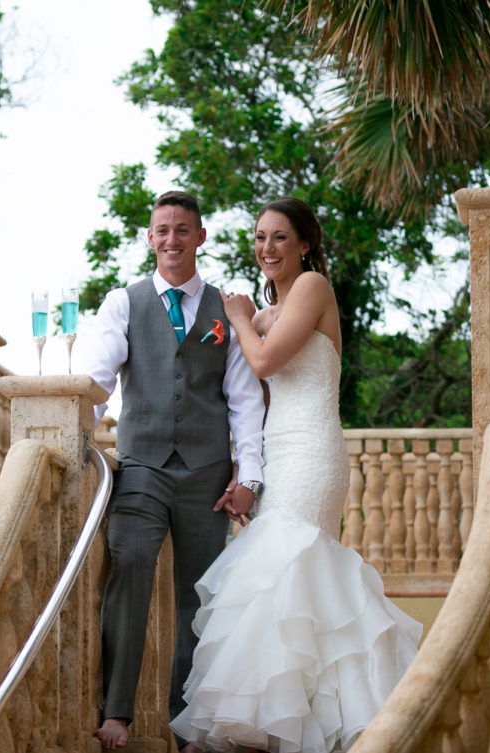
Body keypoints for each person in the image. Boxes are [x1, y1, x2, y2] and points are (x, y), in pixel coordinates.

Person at [170, 197, 424, 753]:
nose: (267, 248)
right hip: (277, 457)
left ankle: (334, 718)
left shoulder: (312, 288)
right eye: (260, 237)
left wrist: (237, 318)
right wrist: (246, 475)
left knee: (293, 566)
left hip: (312, 453)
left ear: (305, 244)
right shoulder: (263, 318)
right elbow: (251, 402)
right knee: (277, 585)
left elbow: (264, 362)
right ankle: (282, 723)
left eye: (280, 237)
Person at [71, 190, 266, 751]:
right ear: (150, 238)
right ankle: (117, 712)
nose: (172, 239)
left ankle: (190, 725)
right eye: (162, 230)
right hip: (142, 466)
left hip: (208, 473)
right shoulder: (123, 303)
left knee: (199, 596)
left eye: (183, 230)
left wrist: (249, 477)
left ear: (200, 237)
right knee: (129, 567)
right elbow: (97, 380)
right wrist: (74, 427)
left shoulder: (226, 308)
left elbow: (244, 400)